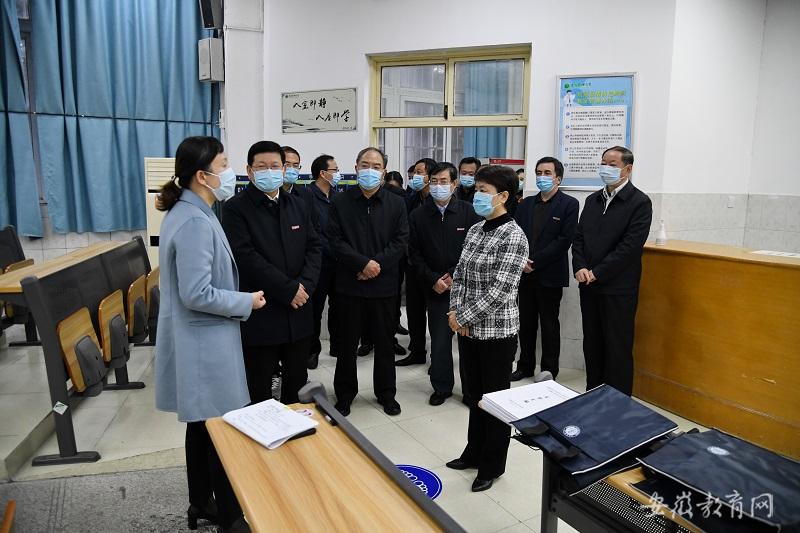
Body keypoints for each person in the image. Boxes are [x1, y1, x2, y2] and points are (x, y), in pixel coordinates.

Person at [155, 136, 265, 533]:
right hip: (205, 344)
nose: (229, 173)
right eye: (223, 165)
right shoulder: (194, 222)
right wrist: (245, 301)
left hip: (199, 339)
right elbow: (197, 293)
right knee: (220, 432)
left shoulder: (191, 210)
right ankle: (231, 519)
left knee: (201, 427)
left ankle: (201, 501)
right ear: (202, 176)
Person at [445, 165, 528, 492]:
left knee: (495, 401)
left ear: (503, 196)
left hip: (496, 332)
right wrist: (455, 311)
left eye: (484, 190)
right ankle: (473, 452)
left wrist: (462, 318)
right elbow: (460, 275)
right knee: (474, 396)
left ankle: (492, 465)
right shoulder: (476, 229)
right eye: (476, 189)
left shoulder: (514, 236)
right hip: (468, 328)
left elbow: (500, 291)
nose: (477, 195)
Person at [221, 141, 322, 405]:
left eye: (275, 166)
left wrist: (304, 287)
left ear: (284, 169)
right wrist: (288, 290)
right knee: (259, 388)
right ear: (250, 171)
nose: (270, 171)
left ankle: (294, 428)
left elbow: (314, 247)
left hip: (299, 310)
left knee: (297, 387)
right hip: (262, 312)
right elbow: (245, 257)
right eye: (262, 166)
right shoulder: (235, 208)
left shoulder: (298, 204)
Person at [329, 147, 408, 417]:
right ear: (356, 167)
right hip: (349, 285)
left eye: (376, 166)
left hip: (384, 286)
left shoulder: (397, 203)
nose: (370, 170)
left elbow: (401, 241)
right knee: (347, 345)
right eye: (365, 165)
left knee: (385, 344)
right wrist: (362, 264)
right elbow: (334, 240)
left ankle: (386, 394)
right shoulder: (340, 201)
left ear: (384, 172)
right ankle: (344, 395)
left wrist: (376, 265)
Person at [572, 146, 652, 396]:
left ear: (628, 169)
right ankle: (592, 396)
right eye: (603, 162)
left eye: (612, 164)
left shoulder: (639, 202)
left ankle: (617, 403)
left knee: (617, 347)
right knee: (592, 344)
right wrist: (580, 266)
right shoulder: (593, 200)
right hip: (589, 286)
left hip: (618, 288)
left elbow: (630, 247)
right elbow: (579, 238)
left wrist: (598, 272)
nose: (605, 168)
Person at [408, 162, 480, 406]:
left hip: (465, 288)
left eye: (444, 181)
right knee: (439, 343)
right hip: (435, 288)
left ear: (454, 184)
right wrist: (433, 279)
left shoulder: (469, 212)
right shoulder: (418, 215)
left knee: (468, 343)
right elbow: (413, 253)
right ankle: (441, 387)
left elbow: (474, 249)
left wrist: (452, 275)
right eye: (434, 181)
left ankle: (470, 391)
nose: (439, 186)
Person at [511, 157, 578, 381]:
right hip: (524, 274)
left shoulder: (569, 204)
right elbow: (516, 235)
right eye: (539, 172)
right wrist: (522, 261)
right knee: (526, 324)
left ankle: (549, 369)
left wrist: (534, 262)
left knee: (549, 325)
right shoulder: (526, 203)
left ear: (558, 178)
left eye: (547, 173)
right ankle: (525, 366)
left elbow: (564, 240)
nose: (542, 177)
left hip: (549, 274)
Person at [396, 157, 436, 366]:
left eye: (420, 172)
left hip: (433, 268)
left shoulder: (439, 202)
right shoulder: (411, 199)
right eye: (414, 173)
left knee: (436, 315)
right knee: (414, 311)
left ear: (430, 176)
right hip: (412, 264)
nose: (415, 176)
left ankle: (438, 359)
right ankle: (417, 350)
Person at [305, 154, 341, 369]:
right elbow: (311, 233)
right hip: (318, 264)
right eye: (335, 170)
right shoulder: (306, 196)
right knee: (315, 310)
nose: (337, 174)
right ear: (323, 173)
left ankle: (337, 346)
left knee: (339, 308)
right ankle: (312, 350)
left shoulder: (338, 196)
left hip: (339, 263)